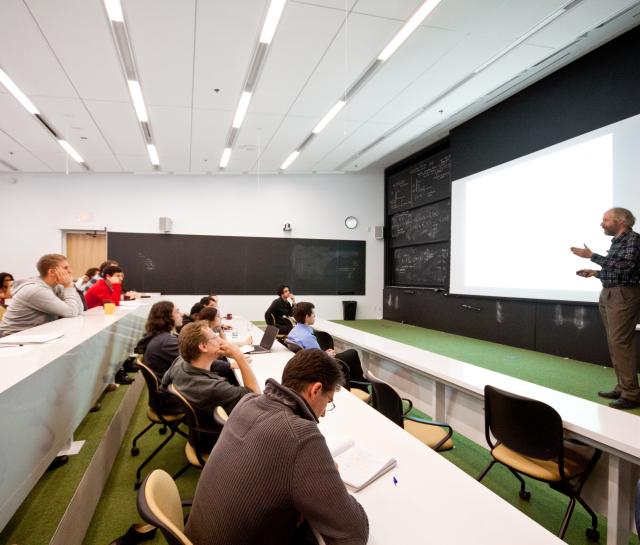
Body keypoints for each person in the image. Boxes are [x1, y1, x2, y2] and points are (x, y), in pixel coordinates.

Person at [185, 348, 369, 545]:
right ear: (315, 390)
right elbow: (354, 533)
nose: (323, 413)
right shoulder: (300, 436)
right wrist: (333, 477)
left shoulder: (247, 401)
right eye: (328, 401)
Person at [571, 207, 640, 410]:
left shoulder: (633, 240)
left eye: (606, 220)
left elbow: (626, 268)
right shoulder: (618, 241)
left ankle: (632, 394)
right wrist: (595, 273)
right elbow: (617, 269)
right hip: (610, 292)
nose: (602, 223)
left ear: (622, 221)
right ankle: (623, 386)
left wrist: (592, 256)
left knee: (621, 342)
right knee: (614, 342)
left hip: (624, 294)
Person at [160, 321, 260, 451]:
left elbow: (163, 385)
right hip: (216, 440)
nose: (220, 340)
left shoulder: (181, 362)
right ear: (203, 347)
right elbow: (255, 396)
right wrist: (239, 357)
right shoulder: (212, 388)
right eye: (215, 337)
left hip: (199, 431)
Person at [287, 302, 368, 392]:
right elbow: (319, 359)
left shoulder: (294, 331)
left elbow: (314, 352)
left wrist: (325, 353)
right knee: (353, 353)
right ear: (307, 317)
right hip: (319, 366)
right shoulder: (307, 336)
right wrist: (328, 355)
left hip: (308, 362)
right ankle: (362, 387)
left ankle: (359, 385)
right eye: (313, 314)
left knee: (350, 356)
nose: (314, 316)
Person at [0, 254, 83, 337]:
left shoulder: (56, 286)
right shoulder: (36, 290)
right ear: (51, 272)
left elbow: (79, 309)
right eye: (65, 268)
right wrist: (68, 286)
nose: (70, 271)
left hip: (30, 336)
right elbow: (71, 312)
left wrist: (69, 286)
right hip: (10, 339)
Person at [135, 301, 183, 382]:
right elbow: (191, 363)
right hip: (172, 387)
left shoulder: (159, 337)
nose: (181, 314)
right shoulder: (166, 342)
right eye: (177, 311)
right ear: (167, 317)